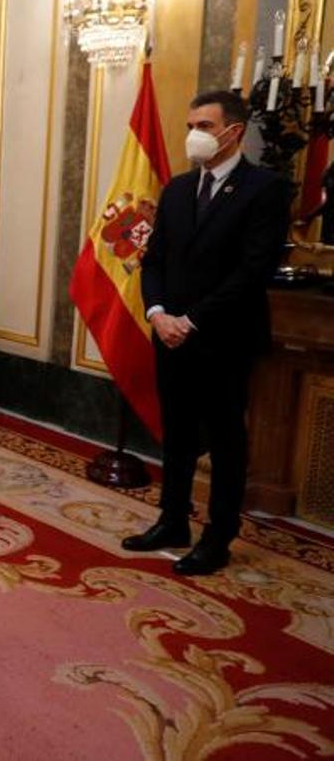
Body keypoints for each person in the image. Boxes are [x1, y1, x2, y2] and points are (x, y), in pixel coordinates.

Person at [122, 89, 289, 576]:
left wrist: (191, 320)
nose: (194, 135)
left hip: (223, 338)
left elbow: (252, 270)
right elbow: (152, 262)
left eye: (204, 126)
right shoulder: (176, 189)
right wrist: (156, 313)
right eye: (190, 124)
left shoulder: (265, 189)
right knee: (176, 433)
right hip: (169, 333)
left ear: (234, 132)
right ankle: (172, 519)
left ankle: (219, 536)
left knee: (224, 439)